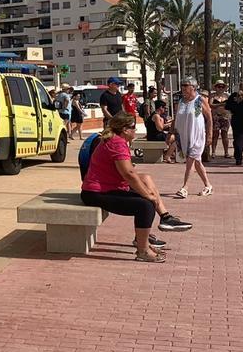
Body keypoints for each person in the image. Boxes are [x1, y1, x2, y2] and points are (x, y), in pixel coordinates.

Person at [80, 113, 194, 263]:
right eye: (133, 127)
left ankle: (163, 220)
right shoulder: (117, 142)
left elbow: (127, 173)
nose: (135, 130)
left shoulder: (115, 139)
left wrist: (147, 192)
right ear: (125, 129)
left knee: (146, 180)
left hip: (109, 187)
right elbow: (129, 174)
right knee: (145, 205)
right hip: (95, 193)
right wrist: (148, 195)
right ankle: (143, 250)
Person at [173, 77, 213, 198]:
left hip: (196, 136)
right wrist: (172, 133)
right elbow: (176, 118)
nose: (183, 88)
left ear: (193, 87)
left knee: (190, 160)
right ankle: (208, 185)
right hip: (184, 136)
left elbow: (209, 118)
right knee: (197, 162)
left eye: (186, 86)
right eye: (182, 85)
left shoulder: (199, 100)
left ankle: (185, 187)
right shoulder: (181, 101)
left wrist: (210, 135)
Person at [209, 82, 231, 159]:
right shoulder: (212, 96)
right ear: (216, 87)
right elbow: (210, 105)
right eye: (219, 86)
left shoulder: (227, 96)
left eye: (222, 87)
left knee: (225, 135)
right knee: (215, 134)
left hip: (225, 116)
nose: (220, 88)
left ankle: (226, 152)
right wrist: (220, 105)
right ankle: (213, 152)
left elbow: (230, 105)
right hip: (216, 117)